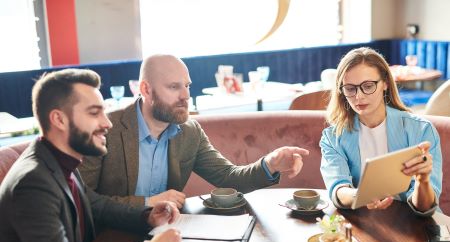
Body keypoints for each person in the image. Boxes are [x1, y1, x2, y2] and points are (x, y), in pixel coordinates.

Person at [0, 69, 182, 242]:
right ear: (59, 119)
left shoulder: (58, 158)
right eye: (94, 113)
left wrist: (147, 216)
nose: (107, 123)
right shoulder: (32, 184)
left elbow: (96, 205)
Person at [79, 54, 309, 208]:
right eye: (173, 87)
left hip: (171, 233)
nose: (186, 96)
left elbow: (228, 178)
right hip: (114, 237)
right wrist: (148, 202)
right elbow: (83, 199)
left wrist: (270, 163)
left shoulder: (189, 132)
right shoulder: (104, 129)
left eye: (187, 85)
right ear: (146, 90)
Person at [320, 47, 442, 216]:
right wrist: (363, 195)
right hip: (365, 223)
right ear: (341, 91)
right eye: (350, 88)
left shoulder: (420, 130)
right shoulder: (333, 137)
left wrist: (423, 181)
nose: (359, 96)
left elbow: (426, 208)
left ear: (385, 83)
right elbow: (337, 189)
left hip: (416, 226)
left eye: (368, 86)